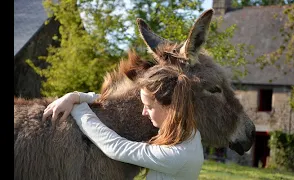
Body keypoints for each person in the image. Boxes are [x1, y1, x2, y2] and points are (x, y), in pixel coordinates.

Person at [42, 65, 204, 179]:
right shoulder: (188, 132)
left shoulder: (178, 156)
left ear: (169, 108)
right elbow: (114, 104)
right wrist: (77, 96)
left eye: (149, 107)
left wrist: (79, 108)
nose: (143, 112)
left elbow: (116, 147)